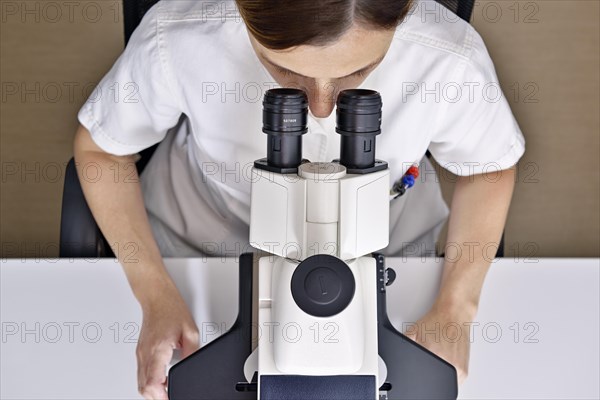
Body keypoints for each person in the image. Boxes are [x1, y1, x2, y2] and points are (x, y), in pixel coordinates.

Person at [73, 0, 525, 398]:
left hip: (386, 255)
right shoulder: (180, 37)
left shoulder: (447, 56)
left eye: (357, 73)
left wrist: (456, 308)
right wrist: (154, 293)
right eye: (287, 71)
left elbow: (489, 168)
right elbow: (101, 153)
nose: (323, 108)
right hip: (202, 249)